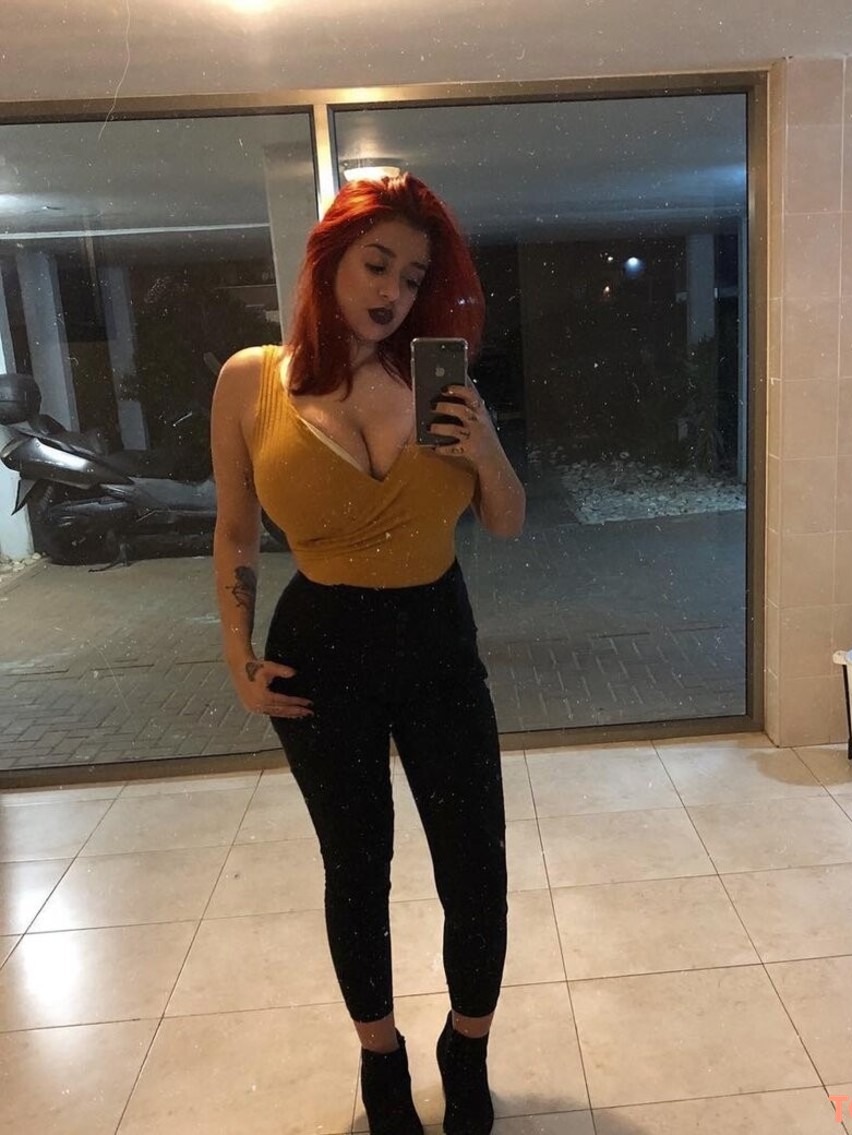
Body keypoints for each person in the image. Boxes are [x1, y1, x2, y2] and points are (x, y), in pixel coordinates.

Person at [210, 173, 525, 1135]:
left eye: (413, 274)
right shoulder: (250, 380)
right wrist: (237, 657)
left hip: (436, 641)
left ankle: (466, 1049)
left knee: (475, 864)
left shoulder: (441, 382)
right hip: (320, 650)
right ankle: (380, 1058)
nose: (392, 290)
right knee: (356, 867)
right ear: (329, 262)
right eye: (376, 263)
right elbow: (234, 531)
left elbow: (506, 522)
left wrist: (486, 449)